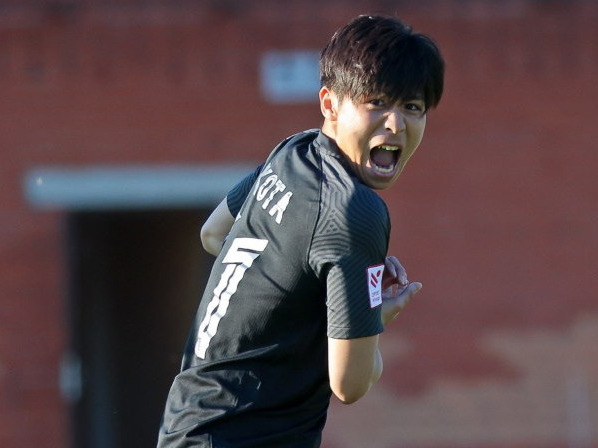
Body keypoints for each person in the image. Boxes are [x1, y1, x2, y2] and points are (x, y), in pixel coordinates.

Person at [157, 14, 444, 448]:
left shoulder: (293, 151)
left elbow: (215, 234)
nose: (395, 124)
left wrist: (328, 285)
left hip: (186, 428)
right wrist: (369, 318)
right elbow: (351, 383)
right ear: (330, 104)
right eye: (377, 102)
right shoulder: (355, 211)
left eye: (412, 107)